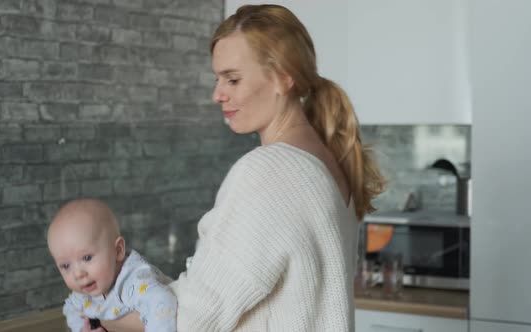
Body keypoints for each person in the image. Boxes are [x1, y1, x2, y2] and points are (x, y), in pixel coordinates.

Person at [102, 4, 385, 332]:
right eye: (218, 78)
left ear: (283, 77)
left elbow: (191, 319)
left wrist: (102, 316)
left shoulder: (269, 171)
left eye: (232, 79)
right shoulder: (329, 162)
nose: (217, 95)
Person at [47, 198, 178, 332]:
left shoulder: (135, 280)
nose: (78, 274)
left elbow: (162, 301)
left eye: (87, 258)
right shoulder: (85, 292)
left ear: (118, 250)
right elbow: (73, 309)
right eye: (66, 266)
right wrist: (83, 329)